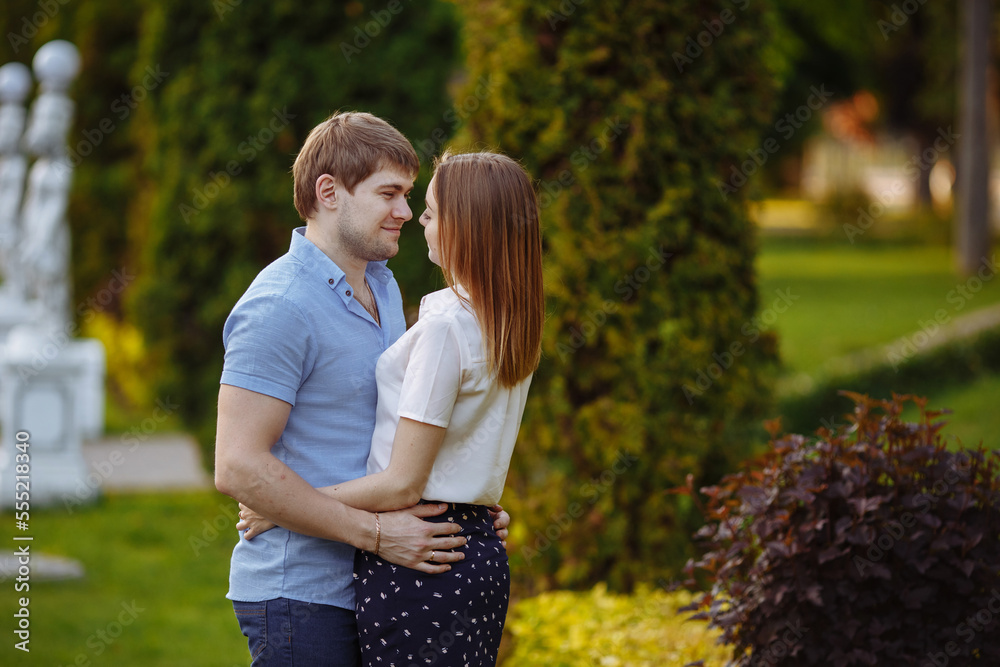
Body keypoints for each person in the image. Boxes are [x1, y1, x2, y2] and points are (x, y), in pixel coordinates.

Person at [214, 112, 511, 667]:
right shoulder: (280, 305)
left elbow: (403, 427)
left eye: (408, 195)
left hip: (381, 582)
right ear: (329, 192)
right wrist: (376, 533)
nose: (405, 212)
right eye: (389, 194)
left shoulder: (383, 284)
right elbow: (237, 467)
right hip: (300, 593)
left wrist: (465, 503)